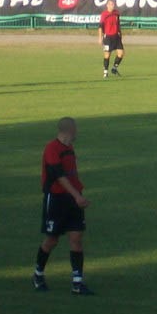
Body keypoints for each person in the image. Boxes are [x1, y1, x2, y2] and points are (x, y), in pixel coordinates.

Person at [33, 116, 94, 294]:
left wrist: (77, 195)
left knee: (76, 237)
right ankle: (38, 275)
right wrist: (77, 196)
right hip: (57, 199)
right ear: (70, 130)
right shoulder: (52, 148)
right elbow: (59, 176)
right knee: (52, 240)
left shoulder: (69, 148)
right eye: (76, 129)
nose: (78, 132)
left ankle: (77, 282)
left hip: (73, 199)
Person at [99, 0, 124, 78]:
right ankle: (105, 72)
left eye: (113, 4)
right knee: (107, 55)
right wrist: (100, 37)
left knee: (121, 53)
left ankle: (114, 68)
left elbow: (118, 24)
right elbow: (100, 27)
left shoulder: (116, 13)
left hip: (116, 36)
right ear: (107, 5)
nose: (111, 6)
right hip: (108, 37)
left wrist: (120, 33)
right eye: (110, 4)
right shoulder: (104, 14)